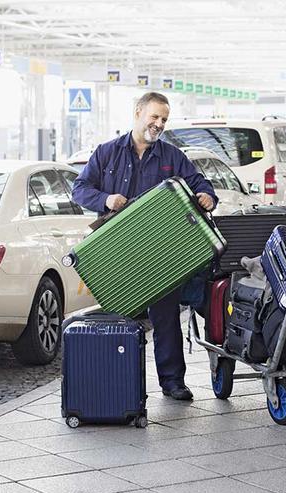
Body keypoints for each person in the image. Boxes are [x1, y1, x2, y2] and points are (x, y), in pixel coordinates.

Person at [72, 92, 217, 401]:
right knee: (117, 319)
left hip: (159, 252)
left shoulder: (171, 157)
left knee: (165, 319)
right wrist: (106, 199)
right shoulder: (106, 153)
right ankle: (114, 383)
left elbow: (200, 183)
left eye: (164, 119)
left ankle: (172, 382)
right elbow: (79, 189)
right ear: (138, 112)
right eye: (154, 117)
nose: (159, 124)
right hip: (116, 252)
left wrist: (207, 197)